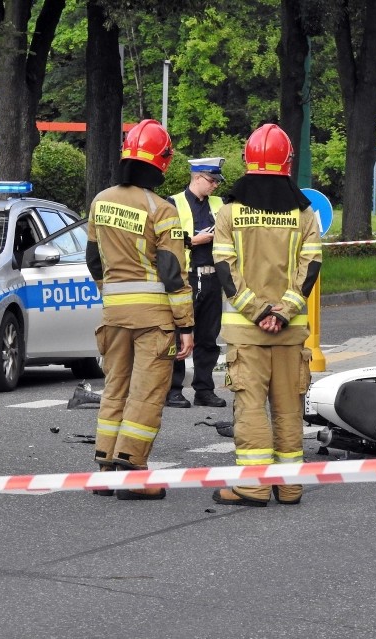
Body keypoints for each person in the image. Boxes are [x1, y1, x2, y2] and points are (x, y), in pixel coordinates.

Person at [210, 124, 322, 507]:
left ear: (247, 160)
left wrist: (259, 314)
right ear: (288, 164)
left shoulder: (229, 213)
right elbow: (310, 268)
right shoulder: (305, 215)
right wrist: (284, 311)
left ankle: (254, 486)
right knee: (289, 410)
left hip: (247, 333)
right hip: (290, 334)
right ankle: (290, 487)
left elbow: (225, 269)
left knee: (251, 407)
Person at [85, 119, 194, 501]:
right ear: (161, 161)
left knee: (114, 388)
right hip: (154, 319)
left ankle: (105, 467)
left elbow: (93, 260)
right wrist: (185, 325)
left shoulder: (100, 200)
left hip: (114, 315)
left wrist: (111, 294)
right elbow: (171, 272)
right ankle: (131, 470)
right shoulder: (161, 208)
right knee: (146, 393)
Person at [165, 157, 228, 409]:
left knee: (208, 337)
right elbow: (166, 238)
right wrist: (194, 240)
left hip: (213, 276)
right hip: (186, 275)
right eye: (211, 181)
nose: (215, 186)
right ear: (197, 177)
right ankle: (173, 389)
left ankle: (204, 389)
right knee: (180, 333)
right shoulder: (173, 203)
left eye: (217, 182)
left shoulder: (220, 204)